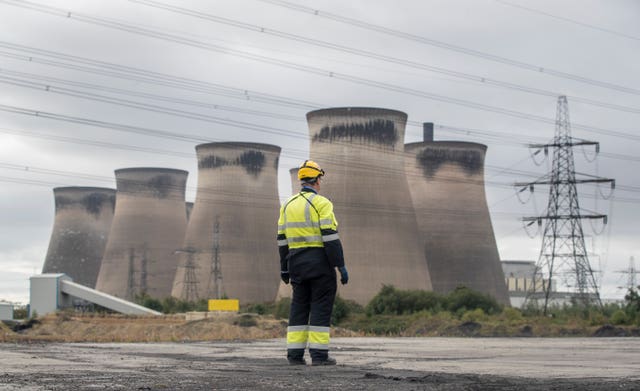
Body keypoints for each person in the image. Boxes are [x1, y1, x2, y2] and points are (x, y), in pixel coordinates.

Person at [277, 160, 349, 366]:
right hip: (319, 265)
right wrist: (340, 265)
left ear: (301, 180)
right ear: (317, 180)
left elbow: (282, 240)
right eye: (320, 179)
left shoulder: (288, 205)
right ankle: (319, 356)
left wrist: (284, 267)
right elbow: (330, 237)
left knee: (298, 307)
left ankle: (294, 355)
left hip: (296, 264)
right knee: (320, 306)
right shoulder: (322, 203)